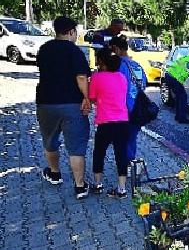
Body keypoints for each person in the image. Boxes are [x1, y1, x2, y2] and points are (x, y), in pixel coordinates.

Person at [36, 16, 91, 199]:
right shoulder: (74, 51)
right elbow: (81, 77)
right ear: (71, 32)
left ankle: (54, 173)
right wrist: (86, 98)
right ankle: (80, 186)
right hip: (72, 104)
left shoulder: (44, 49)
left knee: (50, 140)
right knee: (76, 146)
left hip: (46, 103)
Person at [88, 49, 130, 199]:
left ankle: (98, 185)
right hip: (123, 121)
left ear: (102, 62)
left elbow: (92, 99)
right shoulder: (122, 77)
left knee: (99, 152)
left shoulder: (96, 77)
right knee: (121, 154)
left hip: (105, 121)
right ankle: (122, 189)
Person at [109, 35, 147, 164]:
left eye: (112, 50)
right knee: (131, 138)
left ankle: (124, 166)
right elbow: (143, 84)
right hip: (137, 109)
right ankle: (131, 164)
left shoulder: (116, 65)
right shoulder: (137, 65)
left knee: (120, 139)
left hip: (121, 109)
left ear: (117, 49)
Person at [164, 50, 189, 123]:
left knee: (178, 97)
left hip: (168, 75)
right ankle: (182, 118)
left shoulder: (185, 58)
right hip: (174, 78)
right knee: (183, 97)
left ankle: (178, 116)